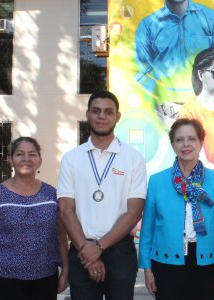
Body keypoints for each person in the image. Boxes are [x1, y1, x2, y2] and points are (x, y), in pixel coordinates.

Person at [57, 90, 147, 300]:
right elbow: (66, 210)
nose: (102, 116)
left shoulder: (133, 158)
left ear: (118, 117)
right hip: (81, 248)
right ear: (88, 114)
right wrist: (87, 250)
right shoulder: (72, 158)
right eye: (96, 111)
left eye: (108, 112)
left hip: (120, 251)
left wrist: (99, 247)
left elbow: (134, 211)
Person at [139, 118, 214, 300]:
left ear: (201, 143)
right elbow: (147, 230)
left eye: (192, 139)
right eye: (179, 140)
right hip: (165, 264)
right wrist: (147, 270)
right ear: (173, 144)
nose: (186, 144)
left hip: (206, 264)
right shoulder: (157, 181)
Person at [0, 137, 68, 300]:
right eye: (20, 154)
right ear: (10, 159)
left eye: (32, 154)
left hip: (46, 279)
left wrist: (66, 270)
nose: (26, 159)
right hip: (6, 279)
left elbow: (60, 236)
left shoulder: (51, 194)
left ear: (39, 161)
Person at [135, 0, 214, 94]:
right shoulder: (147, 26)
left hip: (204, 96)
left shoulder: (213, 19)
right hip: (165, 97)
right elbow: (145, 68)